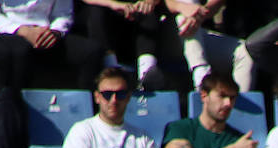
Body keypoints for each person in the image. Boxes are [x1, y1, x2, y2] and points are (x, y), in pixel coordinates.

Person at [78, 0, 218, 90]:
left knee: (149, 9)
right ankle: (112, 71)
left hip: (147, 30)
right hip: (109, 28)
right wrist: (114, 4)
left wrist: (149, 1)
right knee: (96, 12)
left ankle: (147, 74)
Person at [0, 0, 106, 90]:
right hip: (11, 31)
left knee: (91, 51)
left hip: (47, 31)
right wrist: (23, 31)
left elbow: (63, 14)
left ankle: (85, 110)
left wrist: (55, 32)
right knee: (21, 51)